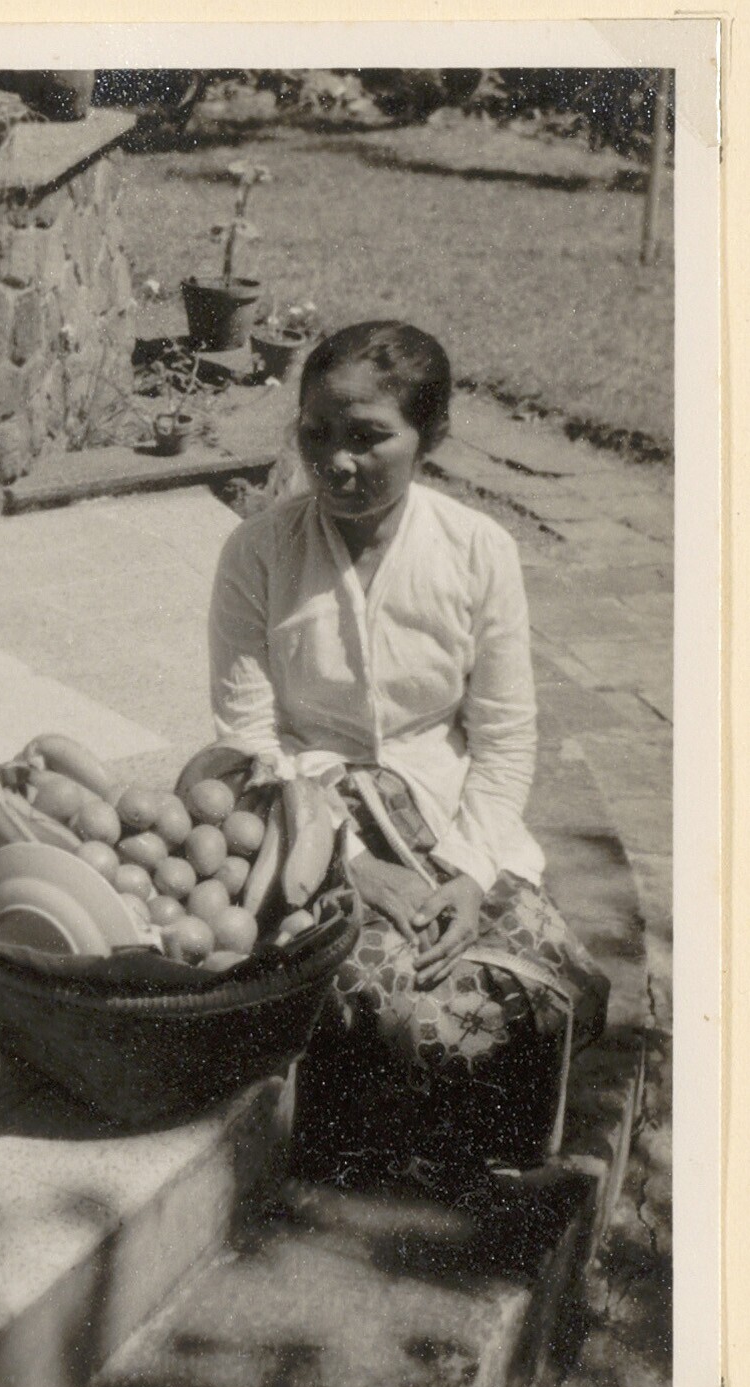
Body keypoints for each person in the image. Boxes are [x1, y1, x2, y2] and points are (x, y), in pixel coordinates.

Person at [206, 320, 608, 1179]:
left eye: (368, 437)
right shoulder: (259, 552)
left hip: (444, 814)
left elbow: (504, 735)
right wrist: (348, 865)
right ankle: (394, 1143)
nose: (335, 461)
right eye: (316, 432)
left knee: (532, 983)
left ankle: (429, 1134)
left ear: (433, 436)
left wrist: (466, 870)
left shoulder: (477, 551)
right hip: (303, 820)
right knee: (367, 993)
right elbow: (248, 741)